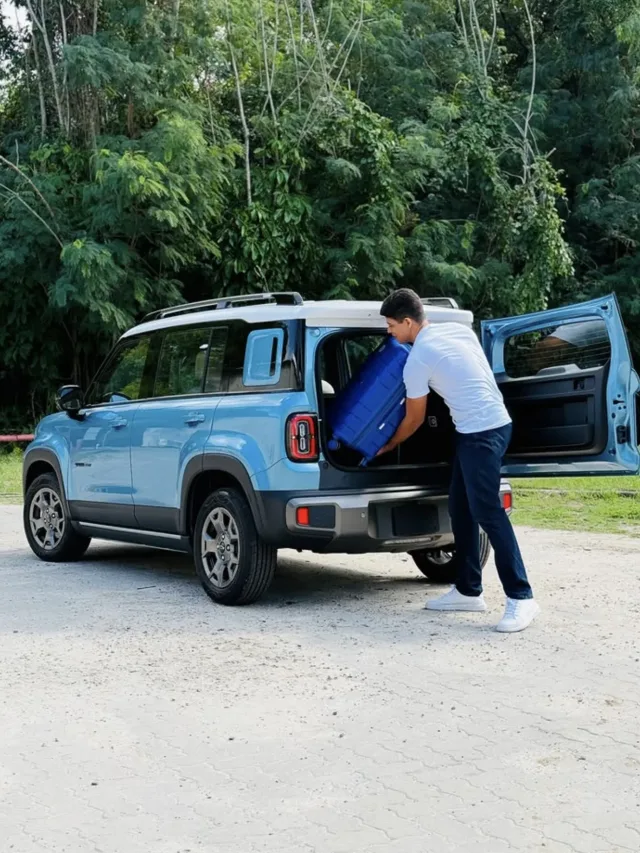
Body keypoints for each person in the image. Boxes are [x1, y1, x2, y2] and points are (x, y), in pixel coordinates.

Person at [378, 288, 539, 633]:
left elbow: (414, 419)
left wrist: (388, 445)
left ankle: (521, 597)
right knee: (460, 507)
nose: (389, 332)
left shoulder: (418, 358)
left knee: (488, 513)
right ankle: (468, 590)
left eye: (392, 326)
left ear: (408, 322)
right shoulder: (457, 330)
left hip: (482, 432)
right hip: (488, 426)